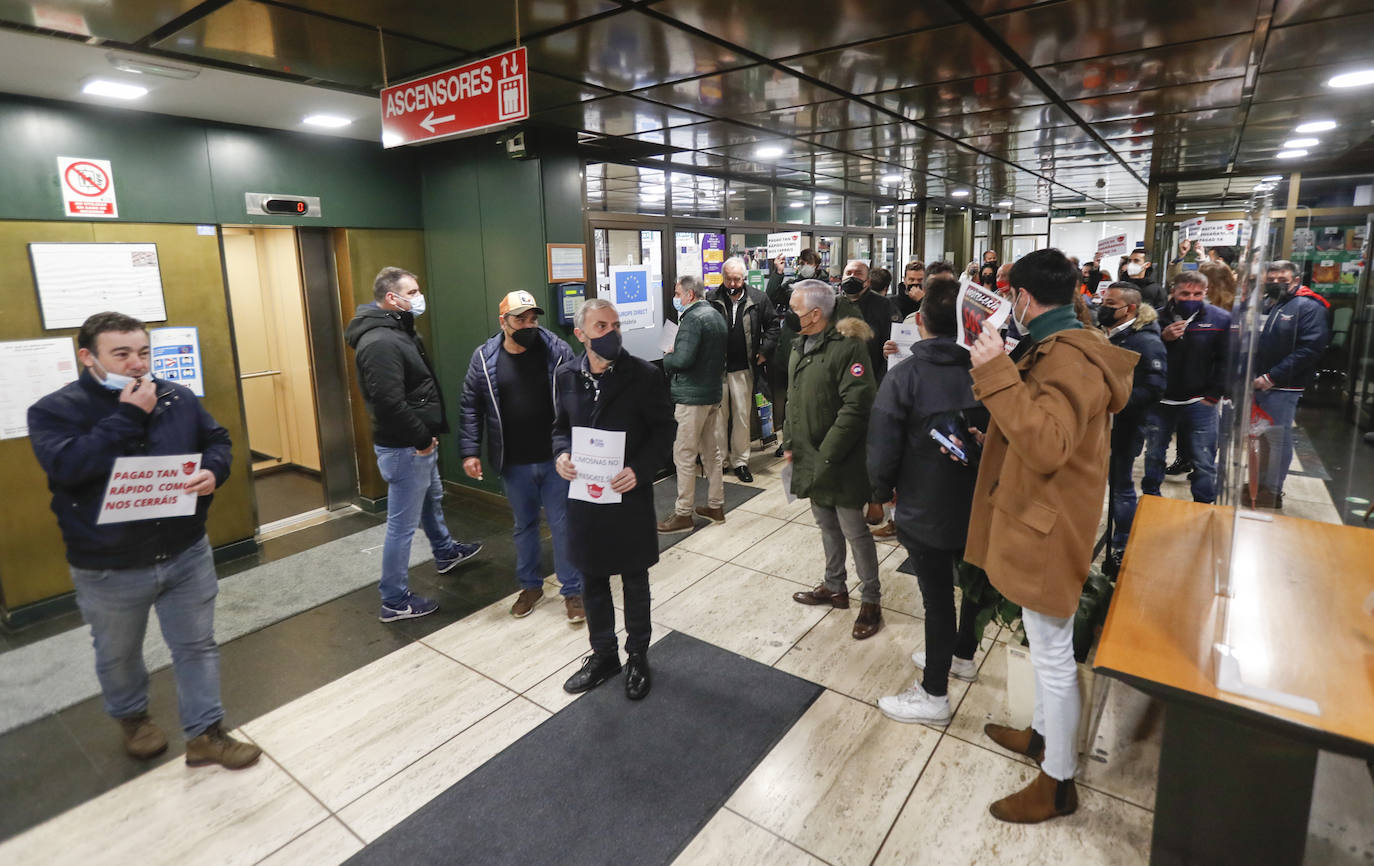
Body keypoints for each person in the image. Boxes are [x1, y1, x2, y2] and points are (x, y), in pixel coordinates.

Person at [27, 312, 260, 770]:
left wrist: (214, 469)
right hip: (110, 564)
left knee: (197, 645)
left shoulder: (177, 396)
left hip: (185, 550)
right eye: (122, 354)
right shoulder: (56, 410)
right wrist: (130, 415)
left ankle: (206, 733)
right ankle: (133, 719)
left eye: (143, 352)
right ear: (88, 357)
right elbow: (69, 467)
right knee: (118, 653)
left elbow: (217, 440)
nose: (137, 364)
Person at [964, 248, 1136, 823]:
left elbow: (1046, 444)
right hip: (1040, 516)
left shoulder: (1071, 360)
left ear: (1022, 299)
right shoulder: (1058, 346)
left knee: (1055, 656)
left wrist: (993, 370)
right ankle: (1041, 735)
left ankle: (1058, 782)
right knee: (1044, 649)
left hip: (1049, 526)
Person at [868, 278, 990, 724]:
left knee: (937, 599)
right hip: (981, 503)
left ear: (919, 322)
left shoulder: (905, 377)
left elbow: (883, 447)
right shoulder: (990, 372)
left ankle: (934, 693)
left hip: (924, 506)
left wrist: (879, 496)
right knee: (973, 584)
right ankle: (963, 655)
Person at [555, 299, 676, 700]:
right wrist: (562, 455)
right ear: (582, 334)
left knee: (634, 580)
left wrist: (641, 470)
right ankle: (603, 654)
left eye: (616, 324)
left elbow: (663, 433)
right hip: (586, 500)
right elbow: (559, 428)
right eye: (601, 326)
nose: (612, 332)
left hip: (628, 496)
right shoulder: (567, 375)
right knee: (592, 579)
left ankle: (638, 654)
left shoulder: (643, 375)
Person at [346, 267, 481, 622]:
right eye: (414, 291)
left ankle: (445, 551)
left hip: (417, 443)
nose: (420, 297)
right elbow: (389, 402)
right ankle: (393, 600)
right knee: (401, 527)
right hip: (406, 447)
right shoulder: (380, 342)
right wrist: (421, 439)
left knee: (431, 497)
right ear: (393, 298)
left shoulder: (397, 331)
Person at [460, 290, 582, 621]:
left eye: (532, 318)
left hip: (556, 458)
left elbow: (577, 395)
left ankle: (573, 590)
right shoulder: (484, 359)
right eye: (520, 319)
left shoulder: (556, 349)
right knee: (524, 525)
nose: (528, 325)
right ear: (503, 322)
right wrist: (470, 450)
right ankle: (530, 586)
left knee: (563, 524)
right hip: (513, 461)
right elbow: (471, 406)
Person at [784, 280, 884, 640]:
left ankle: (871, 599)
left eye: (794, 309)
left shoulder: (847, 349)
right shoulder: (800, 344)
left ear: (814, 314)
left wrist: (827, 453)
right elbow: (794, 399)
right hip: (810, 455)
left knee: (854, 531)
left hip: (841, 459)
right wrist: (790, 440)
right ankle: (834, 586)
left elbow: (857, 406)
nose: (789, 314)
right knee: (825, 525)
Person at [1141, 271, 1230, 505]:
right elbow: (1143, 355)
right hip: (1161, 400)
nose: (1191, 298)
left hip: (1199, 400)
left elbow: (1226, 360)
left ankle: (1204, 505)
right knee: (1153, 454)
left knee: (1203, 459)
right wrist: (1162, 338)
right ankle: (1151, 500)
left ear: (1206, 293)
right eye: (1185, 293)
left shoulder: (1220, 319)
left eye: (1197, 294)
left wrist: (1213, 395)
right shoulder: (1154, 318)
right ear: (1174, 292)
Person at [1249, 261, 1332, 509]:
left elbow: (1310, 348)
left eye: (1281, 278)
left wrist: (1272, 377)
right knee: (1261, 436)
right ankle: (1260, 485)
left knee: (1277, 439)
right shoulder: (1270, 302)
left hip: (1282, 385)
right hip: (1258, 382)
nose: (1275, 283)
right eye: (1271, 278)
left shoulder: (1309, 306)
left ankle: (1272, 491)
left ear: (1296, 279)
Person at [1097, 284, 1167, 575]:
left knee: (1121, 485)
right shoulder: (1110, 334)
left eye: (1110, 303)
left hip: (1125, 425)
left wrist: (1116, 403)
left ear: (1129, 309)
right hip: (1104, 426)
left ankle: (1124, 542)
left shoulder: (1145, 342)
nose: (1103, 306)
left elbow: (1154, 388)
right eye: (1103, 300)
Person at [658, 275, 728, 533]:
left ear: (689, 295)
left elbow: (683, 360)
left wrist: (667, 357)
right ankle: (716, 505)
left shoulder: (692, 319)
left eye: (677, 293)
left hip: (692, 398)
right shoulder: (715, 315)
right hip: (711, 394)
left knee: (684, 454)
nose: (675, 298)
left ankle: (683, 513)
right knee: (712, 453)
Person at [708, 256, 779, 483]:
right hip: (717, 371)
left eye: (736, 280)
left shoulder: (758, 299)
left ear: (744, 278)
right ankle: (720, 462)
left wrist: (765, 351)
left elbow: (773, 327)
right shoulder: (711, 298)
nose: (732, 284)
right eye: (728, 279)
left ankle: (740, 462)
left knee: (741, 417)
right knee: (718, 419)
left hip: (744, 369)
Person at [767, 249, 829, 458]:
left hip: (812, 349)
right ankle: (787, 440)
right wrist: (778, 272)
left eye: (807, 263)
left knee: (808, 399)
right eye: (801, 262)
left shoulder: (825, 289)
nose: (803, 265)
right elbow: (772, 295)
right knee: (786, 399)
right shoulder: (793, 285)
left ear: (817, 265)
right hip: (788, 348)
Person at [836, 259, 897, 387]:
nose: (852, 277)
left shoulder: (883, 305)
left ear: (868, 281)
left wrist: (879, 384)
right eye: (849, 273)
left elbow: (891, 345)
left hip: (871, 379)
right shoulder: (832, 305)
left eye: (858, 273)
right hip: (837, 380)